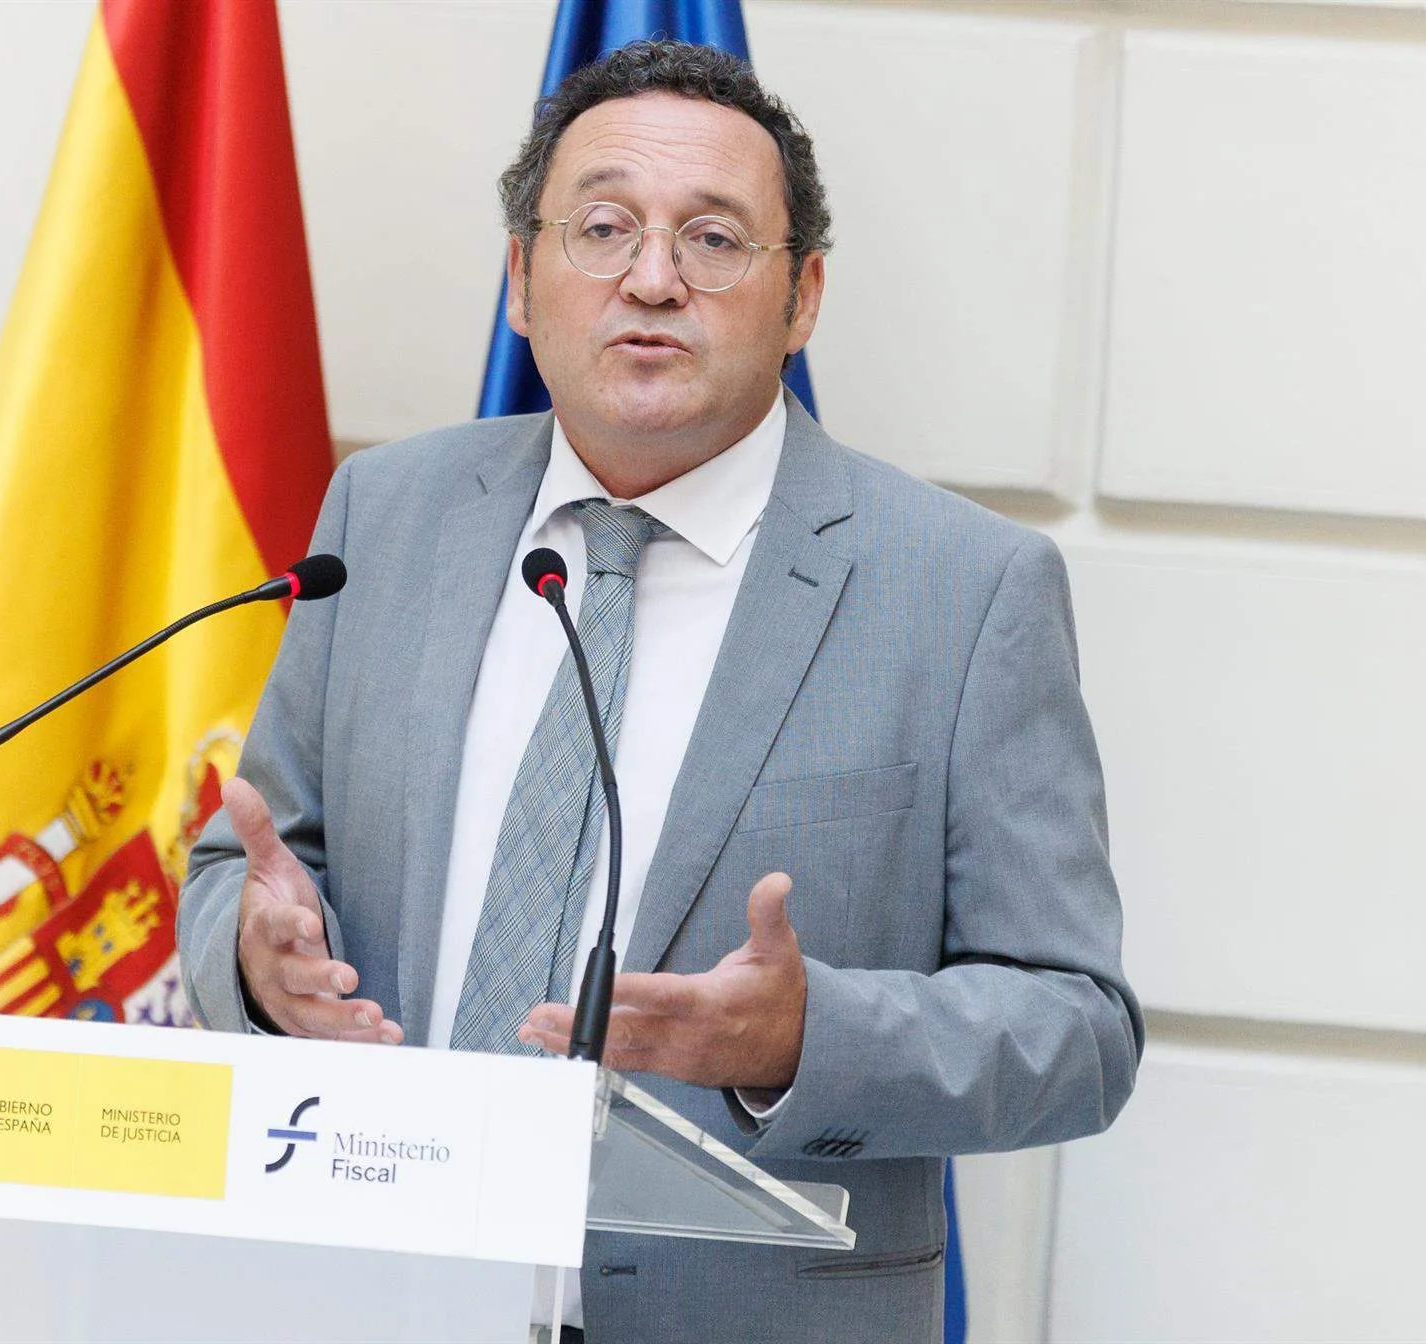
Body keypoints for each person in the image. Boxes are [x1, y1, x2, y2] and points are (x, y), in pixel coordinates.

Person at [180, 39, 1140, 1344]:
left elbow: (1078, 1033)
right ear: (522, 279)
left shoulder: (963, 593)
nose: (650, 279)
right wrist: (251, 948)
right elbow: (249, 860)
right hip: (375, 1295)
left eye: (714, 241)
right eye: (604, 228)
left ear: (802, 298)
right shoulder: (388, 515)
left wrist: (806, 1040)